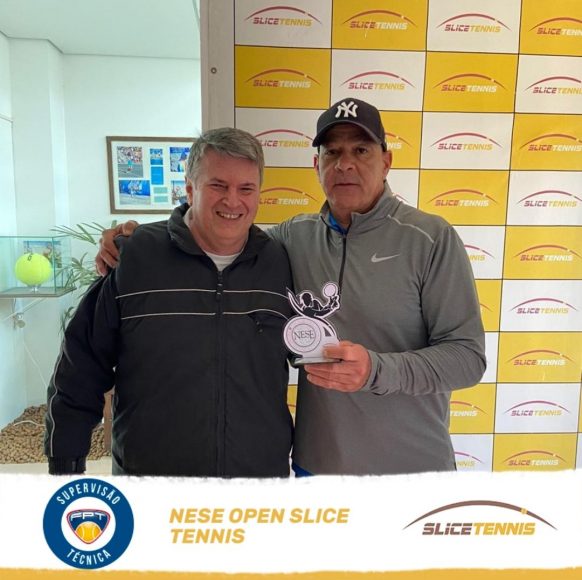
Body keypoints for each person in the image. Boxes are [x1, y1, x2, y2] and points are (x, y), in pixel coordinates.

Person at [97, 99, 486, 475]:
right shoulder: (290, 238)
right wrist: (137, 241)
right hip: (316, 467)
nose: (345, 163)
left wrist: (376, 369)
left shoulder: (431, 239)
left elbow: (468, 358)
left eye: (361, 150)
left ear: (386, 161)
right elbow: (217, 236)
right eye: (332, 152)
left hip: (411, 469)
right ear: (317, 166)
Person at [45, 127, 294, 477]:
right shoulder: (136, 256)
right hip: (152, 478)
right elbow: (80, 366)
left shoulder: (280, 263)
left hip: (257, 479)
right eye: (218, 185)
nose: (232, 201)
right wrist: (65, 462)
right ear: (190, 189)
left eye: (246, 189)